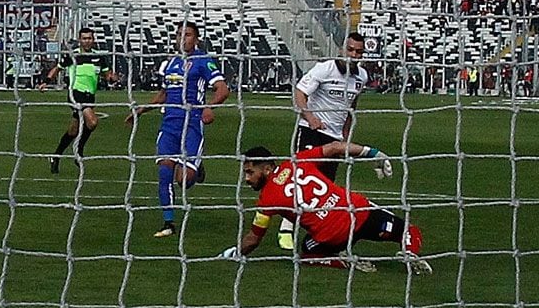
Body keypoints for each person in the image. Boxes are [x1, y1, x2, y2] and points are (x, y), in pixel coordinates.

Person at [219, 143, 432, 275]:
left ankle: (343, 260)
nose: (247, 179)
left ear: (266, 168)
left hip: (332, 236)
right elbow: (334, 148)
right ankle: (409, 251)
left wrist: (235, 253)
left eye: (249, 172)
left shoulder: (266, 200)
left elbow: (253, 240)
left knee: (307, 252)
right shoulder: (297, 161)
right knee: (409, 231)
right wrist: (373, 153)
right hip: (359, 213)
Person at [124, 21, 229, 238]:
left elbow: (223, 89)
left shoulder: (202, 61)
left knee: (183, 180)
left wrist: (209, 107)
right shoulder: (169, 63)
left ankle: (197, 171)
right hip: (169, 125)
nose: (183, 38)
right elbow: (164, 93)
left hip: (191, 125)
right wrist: (142, 110)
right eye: (179, 34)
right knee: (164, 171)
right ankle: (169, 223)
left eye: (188, 34)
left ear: (196, 39)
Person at [278, 32, 369, 250]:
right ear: (341, 49)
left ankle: (315, 230)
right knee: (302, 180)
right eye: (350, 50)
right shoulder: (324, 69)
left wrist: (346, 139)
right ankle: (285, 228)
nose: (353, 55)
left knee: (324, 188)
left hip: (335, 139)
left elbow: (351, 108)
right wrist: (310, 118)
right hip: (312, 133)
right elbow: (300, 93)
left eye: (358, 52)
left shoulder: (362, 77)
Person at [41, 27, 117, 173]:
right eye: (84, 38)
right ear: (80, 40)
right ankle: (78, 151)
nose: (87, 41)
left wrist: (112, 78)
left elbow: (107, 74)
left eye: (89, 38)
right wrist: (46, 81)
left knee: (73, 130)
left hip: (90, 96)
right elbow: (57, 68)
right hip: (75, 93)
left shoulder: (99, 57)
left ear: (93, 40)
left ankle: (55, 156)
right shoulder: (73, 55)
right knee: (92, 122)